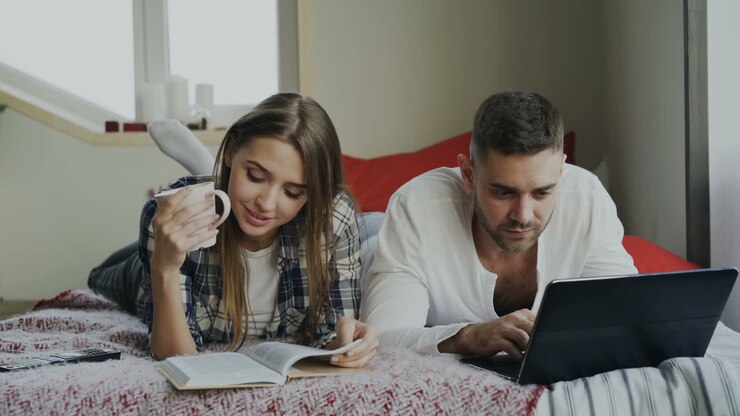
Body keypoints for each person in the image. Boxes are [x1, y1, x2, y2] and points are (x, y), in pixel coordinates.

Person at [89, 93, 378, 366]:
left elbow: (331, 334)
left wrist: (346, 340)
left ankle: (219, 183)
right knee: (98, 277)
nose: (266, 204)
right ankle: (214, 188)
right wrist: (164, 266)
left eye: (292, 192)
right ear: (230, 151)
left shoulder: (333, 218)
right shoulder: (171, 214)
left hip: (224, 223)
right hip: (147, 270)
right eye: (255, 176)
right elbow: (175, 355)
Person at [360, 91, 637, 359]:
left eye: (542, 192)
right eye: (504, 192)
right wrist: (469, 336)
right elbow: (382, 340)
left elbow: (627, 316)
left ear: (561, 173)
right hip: (370, 239)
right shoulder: (416, 207)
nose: (523, 215)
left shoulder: (586, 198)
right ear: (469, 175)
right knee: (363, 230)